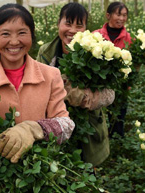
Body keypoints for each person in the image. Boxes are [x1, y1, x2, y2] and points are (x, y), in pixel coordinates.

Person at [0, 4, 75, 192]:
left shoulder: (51, 76)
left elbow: (66, 125)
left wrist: (34, 129)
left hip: (36, 180)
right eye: (5, 34)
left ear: (32, 35)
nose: (14, 41)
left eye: (22, 33)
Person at [37, 2, 115, 168]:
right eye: (68, 23)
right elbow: (38, 85)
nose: (72, 30)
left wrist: (84, 98)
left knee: (86, 172)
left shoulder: (96, 52)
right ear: (58, 24)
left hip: (87, 127)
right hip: (55, 125)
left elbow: (110, 94)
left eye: (79, 25)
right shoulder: (45, 52)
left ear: (86, 29)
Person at [94, 1, 132, 138]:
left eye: (124, 15)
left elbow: (132, 63)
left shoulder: (128, 38)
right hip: (98, 83)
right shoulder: (96, 36)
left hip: (119, 84)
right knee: (98, 115)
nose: (121, 18)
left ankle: (117, 140)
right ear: (108, 15)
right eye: (118, 14)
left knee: (119, 114)